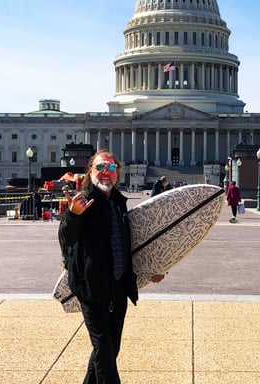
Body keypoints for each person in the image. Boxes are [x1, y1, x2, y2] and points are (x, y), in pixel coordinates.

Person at [58, 150, 165, 383]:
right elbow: (66, 238)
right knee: (105, 354)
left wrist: (149, 270)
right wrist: (73, 216)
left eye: (111, 168)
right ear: (90, 171)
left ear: (117, 172)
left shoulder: (118, 202)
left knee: (107, 350)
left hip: (118, 289)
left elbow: (127, 246)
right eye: (100, 168)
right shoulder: (83, 201)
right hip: (92, 289)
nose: (106, 173)